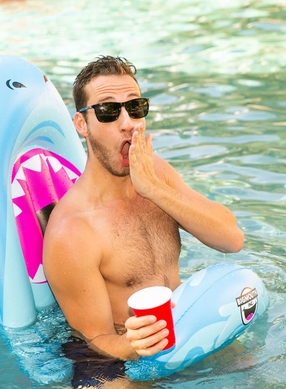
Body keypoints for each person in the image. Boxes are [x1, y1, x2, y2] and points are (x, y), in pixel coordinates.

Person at [43, 56, 244, 363]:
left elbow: (232, 240)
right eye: (108, 111)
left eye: (135, 107)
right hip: (121, 360)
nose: (128, 123)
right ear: (82, 124)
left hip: (183, 332)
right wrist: (133, 344)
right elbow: (94, 343)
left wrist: (155, 190)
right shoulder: (73, 231)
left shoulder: (155, 174)